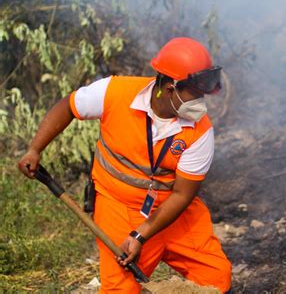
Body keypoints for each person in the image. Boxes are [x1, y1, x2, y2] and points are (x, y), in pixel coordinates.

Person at [18, 37, 232, 293]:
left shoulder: (201, 132)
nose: (200, 103)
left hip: (174, 212)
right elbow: (68, 106)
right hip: (117, 207)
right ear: (170, 86)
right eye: (195, 94)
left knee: (217, 280)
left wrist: (141, 234)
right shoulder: (114, 92)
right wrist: (34, 149)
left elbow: (182, 195)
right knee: (121, 290)